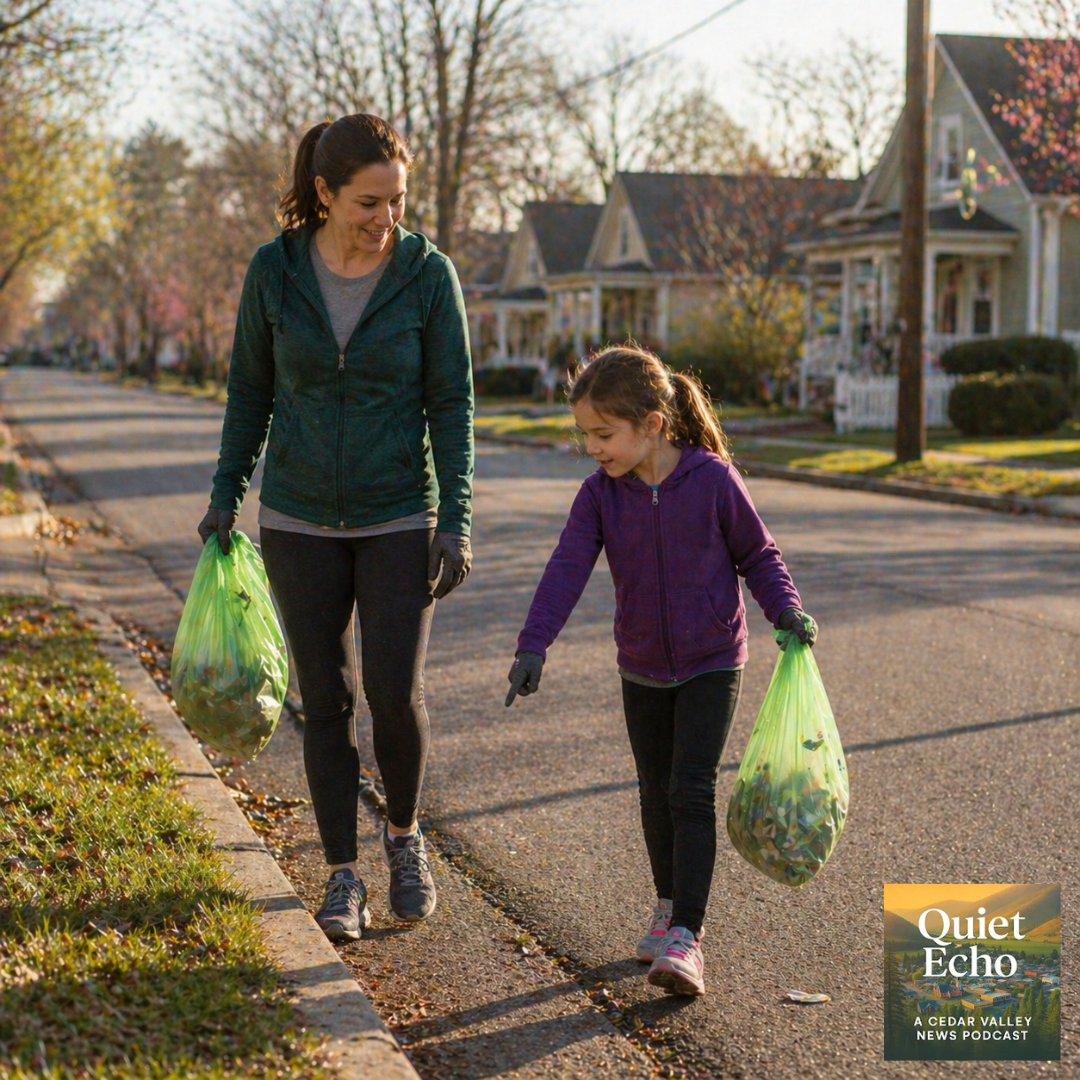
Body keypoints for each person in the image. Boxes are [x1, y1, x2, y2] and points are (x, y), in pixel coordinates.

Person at [198, 113, 474, 942]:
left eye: (396, 200)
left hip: (398, 514)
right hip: (298, 518)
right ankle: (343, 874)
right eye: (367, 202)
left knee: (393, 693)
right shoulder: (275, 272)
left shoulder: (428, 275)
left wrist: (455, 519)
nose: (386, 218)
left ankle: (404, 836)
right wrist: (225, 493)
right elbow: (250, 393)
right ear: (323, 193)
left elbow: (451, 404)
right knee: (325, 701)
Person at [504, 345, 816, 998]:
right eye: (585, 434)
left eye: (603, 434)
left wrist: (785, 609)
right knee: (654, 790)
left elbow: (758, 554)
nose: (592, 448)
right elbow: (566, 569)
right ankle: (668, 904)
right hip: (641, 664)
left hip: (712, 660)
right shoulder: (599, 495)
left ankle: (687, 937)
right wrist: (534, 645)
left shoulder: (712, 480)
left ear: (651, 424)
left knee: (689, 790)